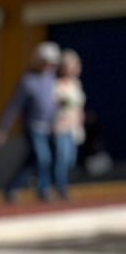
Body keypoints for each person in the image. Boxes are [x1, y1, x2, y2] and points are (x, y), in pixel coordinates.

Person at [0, 41, 60, 201]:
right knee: (44, 158)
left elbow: (55, 102)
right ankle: (44, 191)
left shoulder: (52, 79)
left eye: (51, 63)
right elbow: (14, 105)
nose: (48, 66)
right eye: (45, 62)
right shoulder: (28, 81)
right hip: (34, 127)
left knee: (32, 161)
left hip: (50, 127)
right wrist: (3, 128)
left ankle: (11, 188)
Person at [52, 49, 85, 201]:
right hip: (60, 126)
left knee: (70, 159)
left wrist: (80, 118)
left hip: (74, 127)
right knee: (62, 158)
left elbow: (79, 105)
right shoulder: (56, 85)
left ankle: (56, 184)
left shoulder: (76, 84)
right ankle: (61, 188)